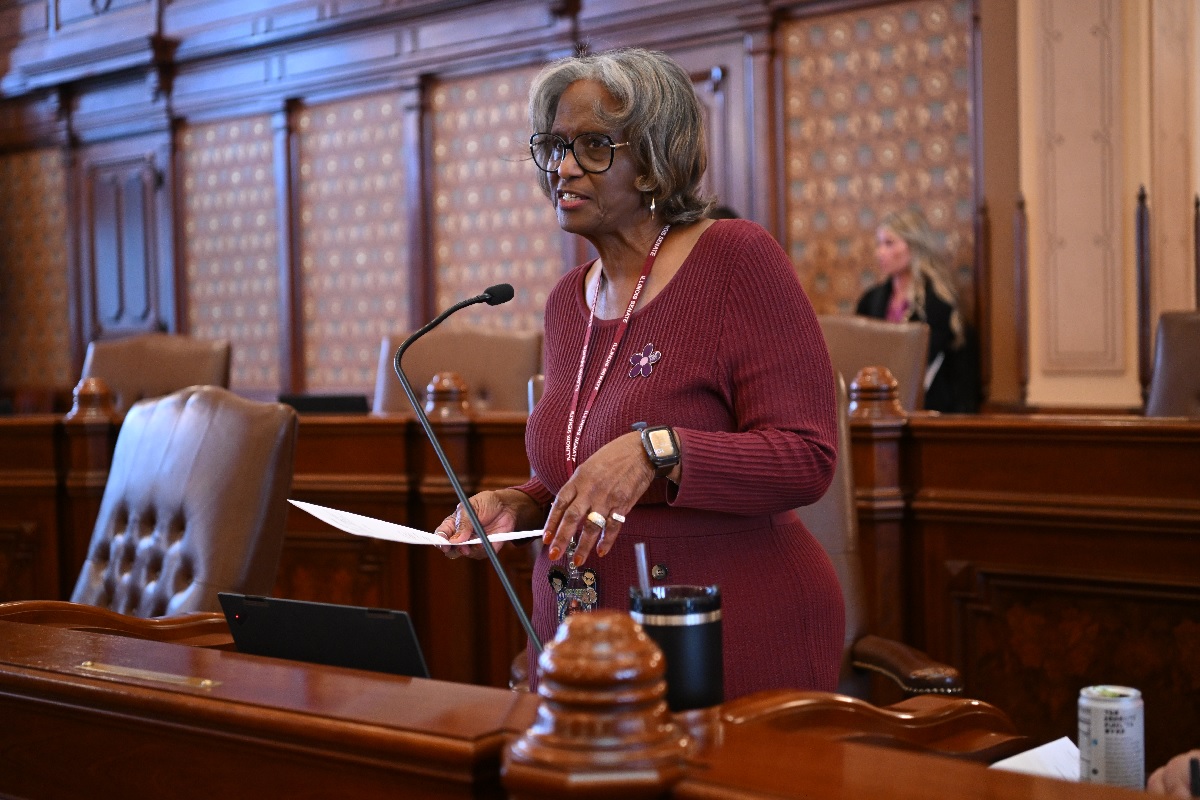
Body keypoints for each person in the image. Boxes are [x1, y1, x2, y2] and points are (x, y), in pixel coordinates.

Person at [435, 47, 844, 699]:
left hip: (724, 641)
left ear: (654, 161)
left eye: (594, 145)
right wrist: (517, 502)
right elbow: (574, 467)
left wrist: (659, 450)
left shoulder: (736, 260)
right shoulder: (568, 301)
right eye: (554, 145)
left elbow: (808, 457)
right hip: (583, 652)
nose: (563, 168)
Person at [855, 208, 980, 413]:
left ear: (913, 246)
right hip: (875, 410)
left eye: (889, 243)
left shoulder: (939, 302)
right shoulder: (870, 301)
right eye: (879, 244)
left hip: (929, 409)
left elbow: (949, 370)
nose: (880, 252)